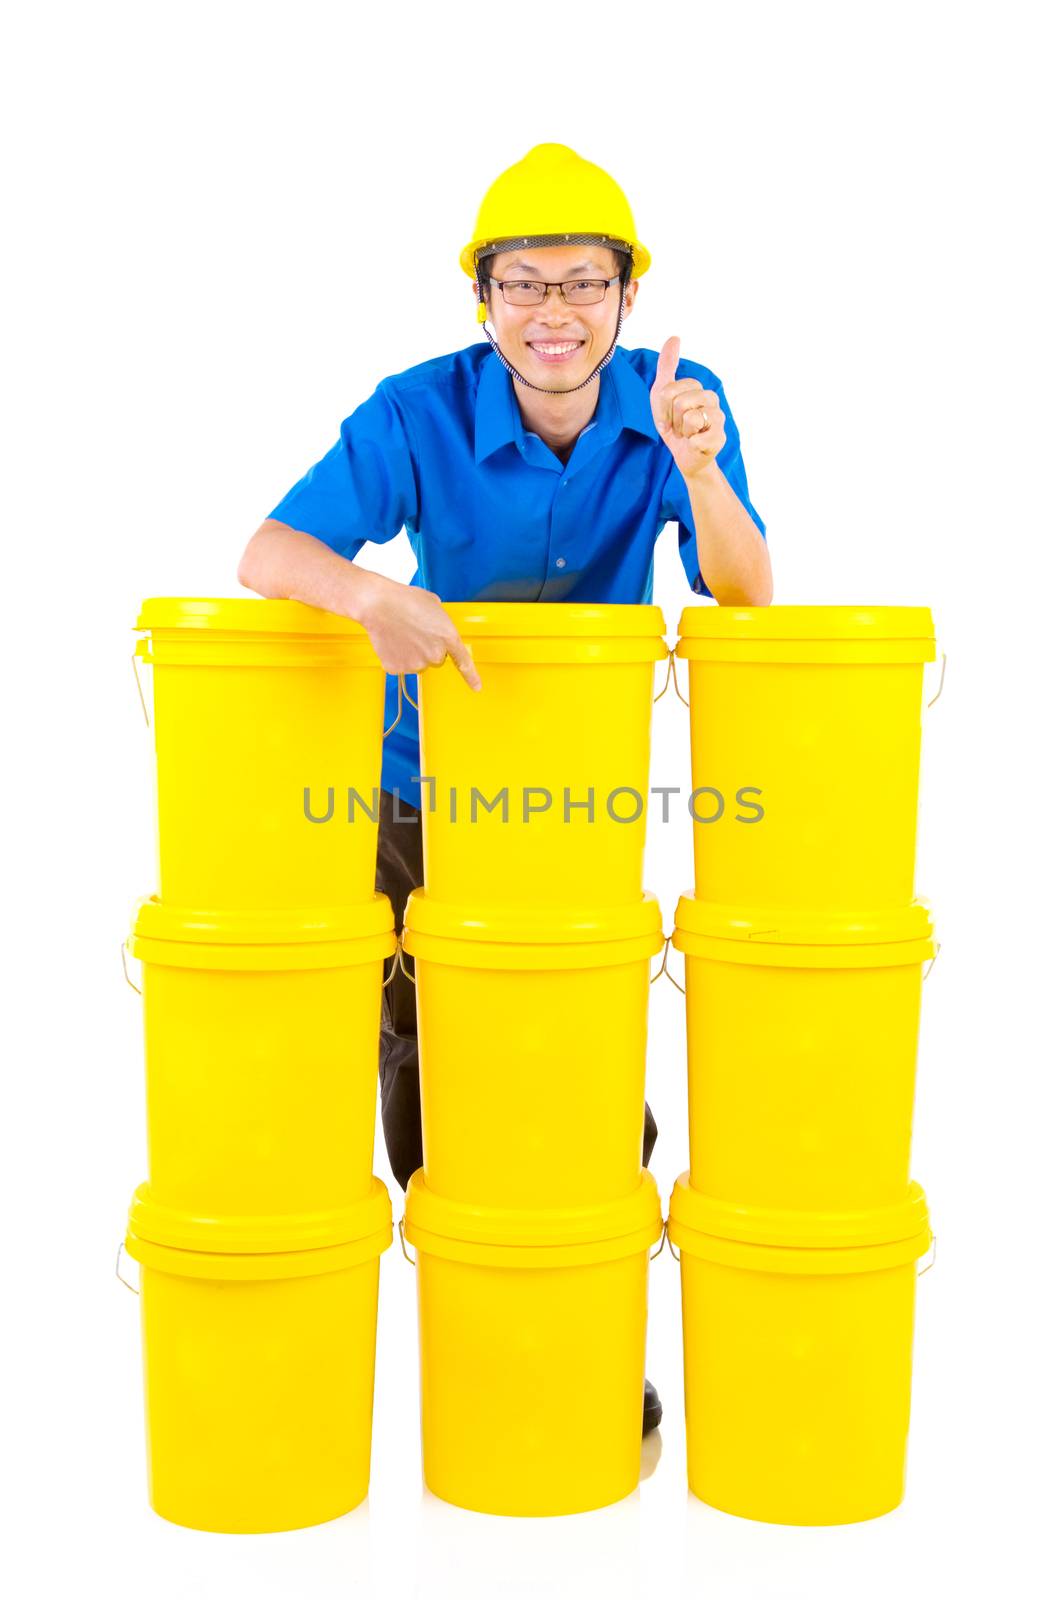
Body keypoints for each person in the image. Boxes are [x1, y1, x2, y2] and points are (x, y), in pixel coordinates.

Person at [238, 143, 772, 1439]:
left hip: (569, 822)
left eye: (583, 283)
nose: (553, 311)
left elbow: (747, 594)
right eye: (522, 283)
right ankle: (492, 1379)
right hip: (420, 810)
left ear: (625, 300)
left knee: (589, 1113)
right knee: (441, 1121)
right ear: (483, 301)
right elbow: (267, 552)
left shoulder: (677, 411)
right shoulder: (417, 413)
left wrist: (701, 474)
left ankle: (574, 1363)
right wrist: (373, 594)